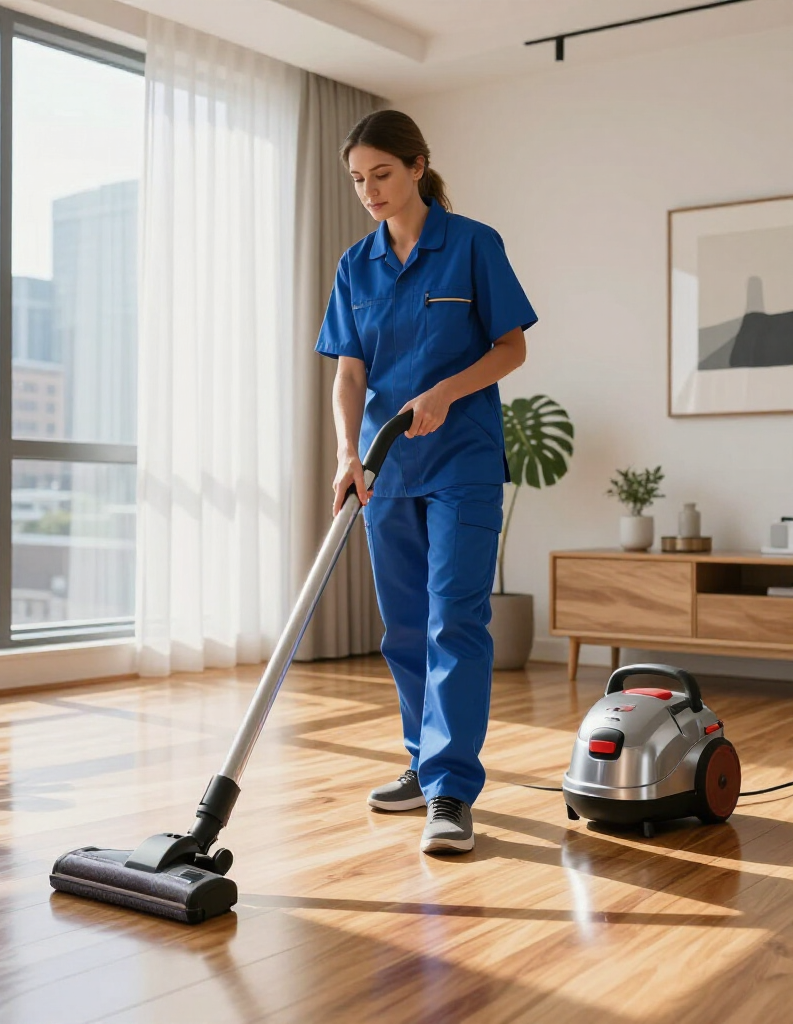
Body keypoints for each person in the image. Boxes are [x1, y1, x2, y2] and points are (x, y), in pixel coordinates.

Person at [315, 110, 537, 854]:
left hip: (463, 466)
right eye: (357, 180)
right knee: (405, 629)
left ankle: (450, 788)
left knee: (454, 621)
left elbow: (511, 349)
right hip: (386, 470)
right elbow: (349, 371)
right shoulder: (356, 265)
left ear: (416, 166)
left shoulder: (472, 244)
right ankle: (421, 764)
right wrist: (348, 452)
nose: (370, 190)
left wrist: (446, 390)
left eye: (381, 173)